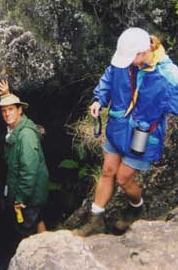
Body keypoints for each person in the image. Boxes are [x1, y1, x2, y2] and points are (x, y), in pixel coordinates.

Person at [75, 27, 178, 236]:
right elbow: (109, 76)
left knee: (123, 179)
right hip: (118, 126)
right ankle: (95, 221)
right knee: (107, 171)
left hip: (142, 134)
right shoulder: (123, 64)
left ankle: (136, 207)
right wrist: (99, 99)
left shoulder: (168, 76)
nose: (128, 64)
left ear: (142, 53)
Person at [0, 80, 49, 238]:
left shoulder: (26, 135)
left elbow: (29, 170)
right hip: (34, 193)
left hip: (29, 196)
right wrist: (7, 95)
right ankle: (49, 249)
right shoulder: (17, 127)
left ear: (19, 110)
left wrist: (21, 198)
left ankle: (34, 260)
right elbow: (22, 121)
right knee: (38, 221)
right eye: (3, 111)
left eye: (11, 109)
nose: (7, 114)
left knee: (25, 231)